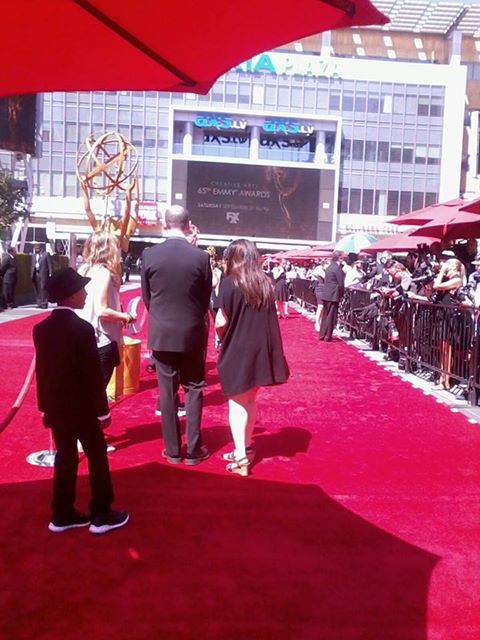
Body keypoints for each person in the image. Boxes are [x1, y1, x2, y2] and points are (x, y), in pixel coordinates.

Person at [32, 267, 128, 534]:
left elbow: (43, 373)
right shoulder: (82, 329)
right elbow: (92, 376)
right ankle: (101, 512)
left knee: (65, 458)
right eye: (81, 290)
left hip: (57, 408)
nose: (86, 294)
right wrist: (102, 411)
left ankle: (61, 512)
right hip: (83, 409)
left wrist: (44, 407)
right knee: (97, 456)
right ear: (71, 296)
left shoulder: (40, 329)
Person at [141, 205, 212, 465]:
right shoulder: (200, 258)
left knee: (167, 391)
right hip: (192, 333)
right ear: (188, 225)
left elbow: (147, 298)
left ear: (164, 224)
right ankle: (193, 450)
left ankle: (172, 450)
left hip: (162, 333)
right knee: (194, 388)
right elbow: (205, 300)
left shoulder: (150, 255)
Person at [215, 239, 290, 476]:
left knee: (236, 403)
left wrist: (219, 337)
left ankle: (240, 457)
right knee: (249, 400)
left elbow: (220, 321)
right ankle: (244, 447)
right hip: (262, 352)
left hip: (237, 350)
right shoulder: (265, 283)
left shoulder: (228, 283)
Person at [78, 231, 135, 388]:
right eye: (116, 247)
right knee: (97, 390)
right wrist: (125, 316)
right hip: (102, 338)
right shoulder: (104, 273)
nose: (119, 251)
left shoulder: (84, 269)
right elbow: (102, 310)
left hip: (84, 336)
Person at [319, 251, 345, 342]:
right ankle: (327, 335)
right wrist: (341, 295)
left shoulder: (329, 267)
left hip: (326, 293)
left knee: (325, 315)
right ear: (339, 258)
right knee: (331, 315)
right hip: (333, 295)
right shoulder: (337, 268)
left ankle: (322, 334)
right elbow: (341, 284)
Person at [31, 243, 53, 308]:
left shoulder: (46, 254)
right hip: (35, 273)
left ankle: (44, 303)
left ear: (41, 248)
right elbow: (32, 265)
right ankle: (39, 303)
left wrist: (50, 273)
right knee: (37, 289)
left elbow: (50, 265)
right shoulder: (33, 255)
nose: (36, 249)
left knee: (43, 288)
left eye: (37, 248)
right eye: (35, 248)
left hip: (43, 274)